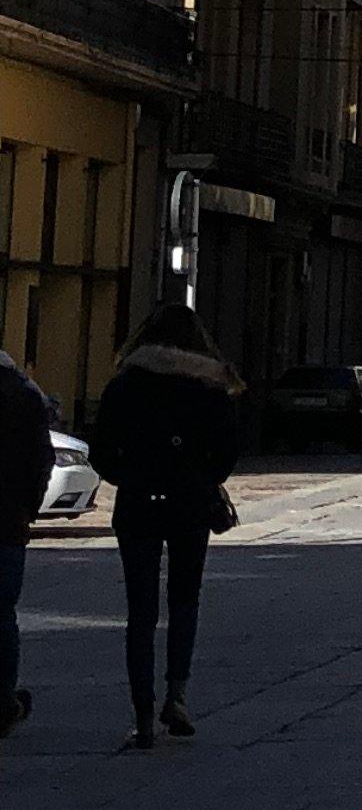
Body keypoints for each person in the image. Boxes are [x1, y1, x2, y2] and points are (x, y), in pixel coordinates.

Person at [85, 300, 241, 748]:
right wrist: (201, 478)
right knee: (185, 601)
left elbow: (101, 451)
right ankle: (178, 695)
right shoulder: (210, 387)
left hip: (137, 504)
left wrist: (132, 475)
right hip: (191, 505)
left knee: (140, 610)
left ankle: (142, 715)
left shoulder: (125, 385)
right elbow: (227, 455)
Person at [0, 343, 55, 738]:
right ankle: (2, 701)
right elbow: (42, 459)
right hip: (6, 522)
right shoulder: (22, 394)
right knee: (2, 615)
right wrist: (28, 509)